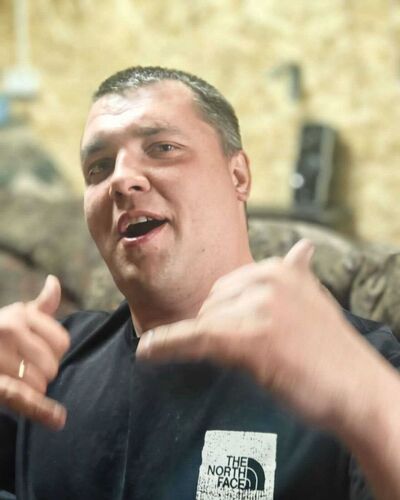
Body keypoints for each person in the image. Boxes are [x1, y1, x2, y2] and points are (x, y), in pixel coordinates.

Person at [0, 66, 400, 500]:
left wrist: (368, 400)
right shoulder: (43, 363)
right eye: (99, 167)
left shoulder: (362, 364)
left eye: (162, 148)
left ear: (238, 176)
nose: (121, 180)